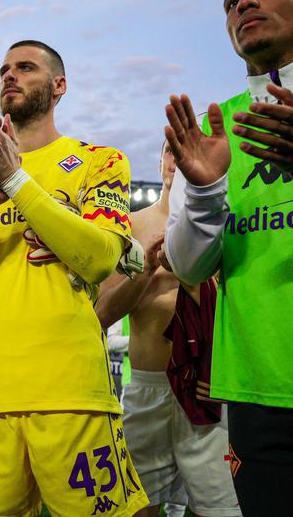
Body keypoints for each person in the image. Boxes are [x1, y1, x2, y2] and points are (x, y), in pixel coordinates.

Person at [0, 40, 148, 515]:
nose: (9, 76)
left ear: (59, 86)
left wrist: (17, 182)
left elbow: (99, 260)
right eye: (4, 69)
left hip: (71, 391)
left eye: (26, 67)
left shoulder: (101, 160)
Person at [163, 0, 293, 513]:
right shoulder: (219, 129)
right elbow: (189, 267)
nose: (243, 3)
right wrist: (206, 189)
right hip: (254, 386)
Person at [95, 140, 240, 516]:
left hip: (211, 389)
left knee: (222, 509)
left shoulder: (231, 225)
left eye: (185, 146)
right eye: (169, 150)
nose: (176, 159)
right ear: (160, 160)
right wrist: (146, 270)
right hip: (149, 389)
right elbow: (102, 314)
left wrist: (195, 272)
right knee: (135, 508)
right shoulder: (129, 227)